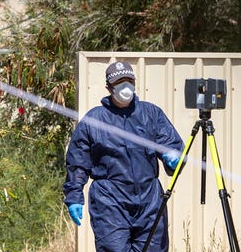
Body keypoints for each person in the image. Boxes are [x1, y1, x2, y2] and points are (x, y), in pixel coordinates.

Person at [63, 61, 184, 252]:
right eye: (120, 82)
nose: (125, 86)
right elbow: (78, 162)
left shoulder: (151, 113)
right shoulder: (94, 120)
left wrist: (174, 157)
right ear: (108, 87)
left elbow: (171, 143)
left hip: (149, 199)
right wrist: (74, 195)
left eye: (129, 80)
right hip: (109, 199)